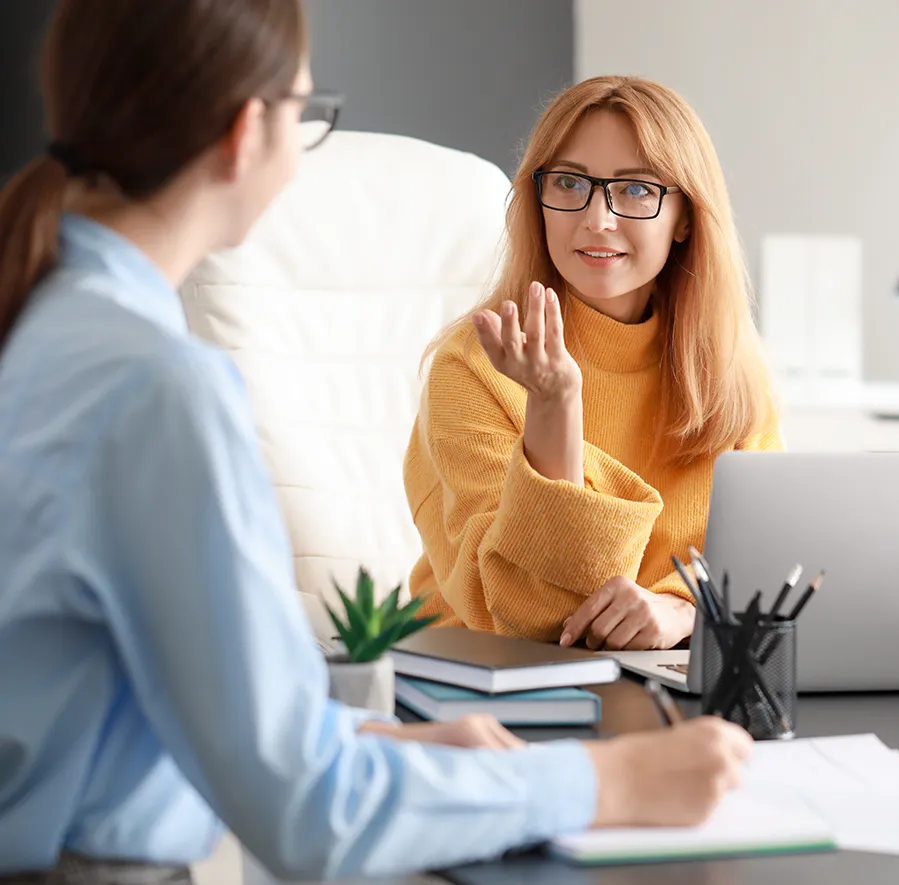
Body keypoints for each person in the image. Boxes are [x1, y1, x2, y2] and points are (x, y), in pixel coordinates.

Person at [0, 4, 753, 882]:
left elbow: (198, 699)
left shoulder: (49, 329)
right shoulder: (160, 391)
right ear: (248, 134)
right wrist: (603, 779)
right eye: (307, 116)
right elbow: (312, 814)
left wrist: (381, 739)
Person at [405, 75, 782, 651]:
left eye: (635, 190)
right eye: (570, 182)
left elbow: (768, 569)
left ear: (685, 218)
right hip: (492, 690)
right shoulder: (472, 369)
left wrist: (683, 613)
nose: (597, 219)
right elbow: (537, 620)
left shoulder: (732, 375)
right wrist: (555, 405)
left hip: (668, 682)